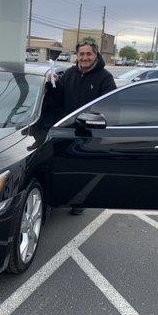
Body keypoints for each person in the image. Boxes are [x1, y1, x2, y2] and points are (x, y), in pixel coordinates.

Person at [47, 39, 117, 215]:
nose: (85, 57)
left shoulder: (105, 78)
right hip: (68, 129)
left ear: (95, 55)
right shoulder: (70, 74)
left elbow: (111, 107)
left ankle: (79, 202)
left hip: (91, 131)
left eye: (89, 54)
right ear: (77, 56)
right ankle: (62, 197)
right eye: (81, 54)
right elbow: (57, 102)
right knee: (66, 168)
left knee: (84, 170)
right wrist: (53, 84)